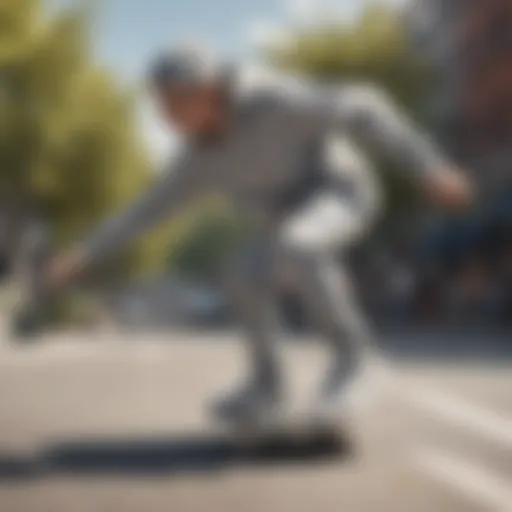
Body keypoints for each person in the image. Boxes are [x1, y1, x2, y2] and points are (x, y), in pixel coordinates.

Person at [43, 45, 473, 425]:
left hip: (342, 193)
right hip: (288, 221)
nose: (166, 118)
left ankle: (354, 361)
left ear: (209, 91)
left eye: (175, 105)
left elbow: (364, 105)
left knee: (298, 244)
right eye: (160, 106)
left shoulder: (276, 102)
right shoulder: (197, 161)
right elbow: (145, 211)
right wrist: (83, 253)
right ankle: (267, 387)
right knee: (242, 275)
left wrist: (427, 167)